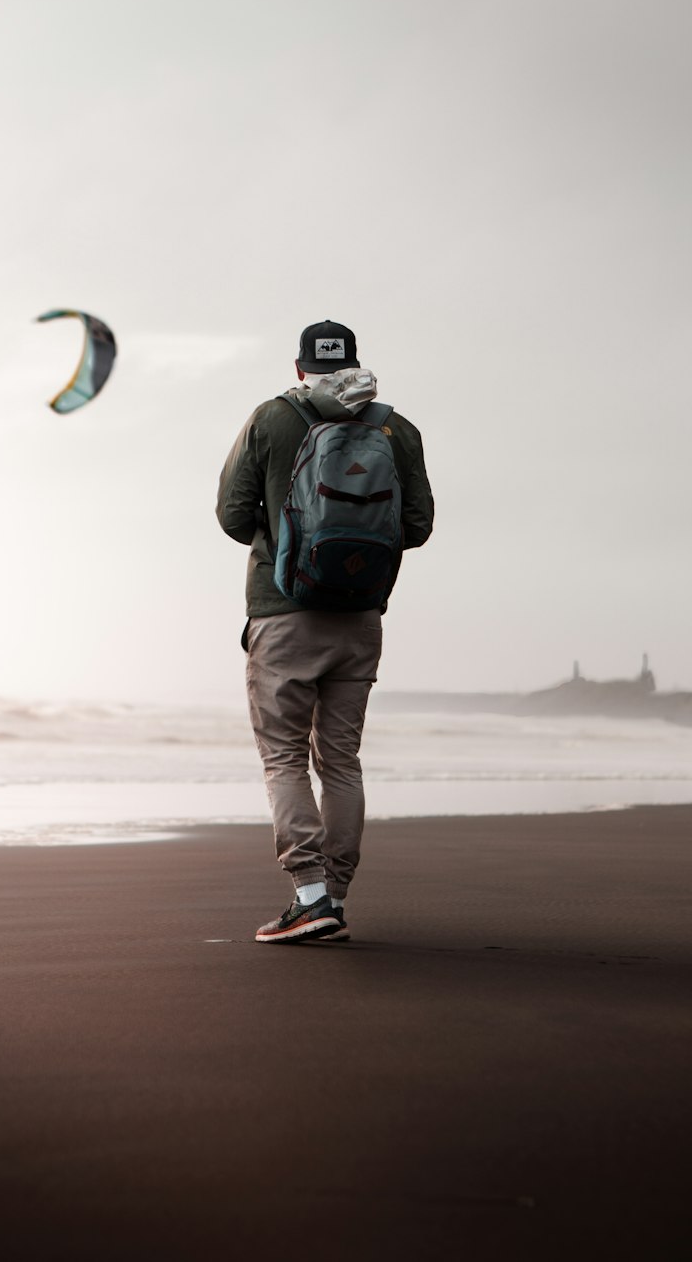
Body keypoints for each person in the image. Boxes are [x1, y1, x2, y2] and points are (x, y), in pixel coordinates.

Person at [216, 319, 434, 943]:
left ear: (299, 367)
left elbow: (232, 517)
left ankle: (309, 895)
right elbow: (415, 527)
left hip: (283, 611)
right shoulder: (395, 427)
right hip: (361, 615)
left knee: (283, 756)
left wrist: (289, 535)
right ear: (356, 364)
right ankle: (334, 893)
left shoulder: (273, 417)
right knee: (339, 759)